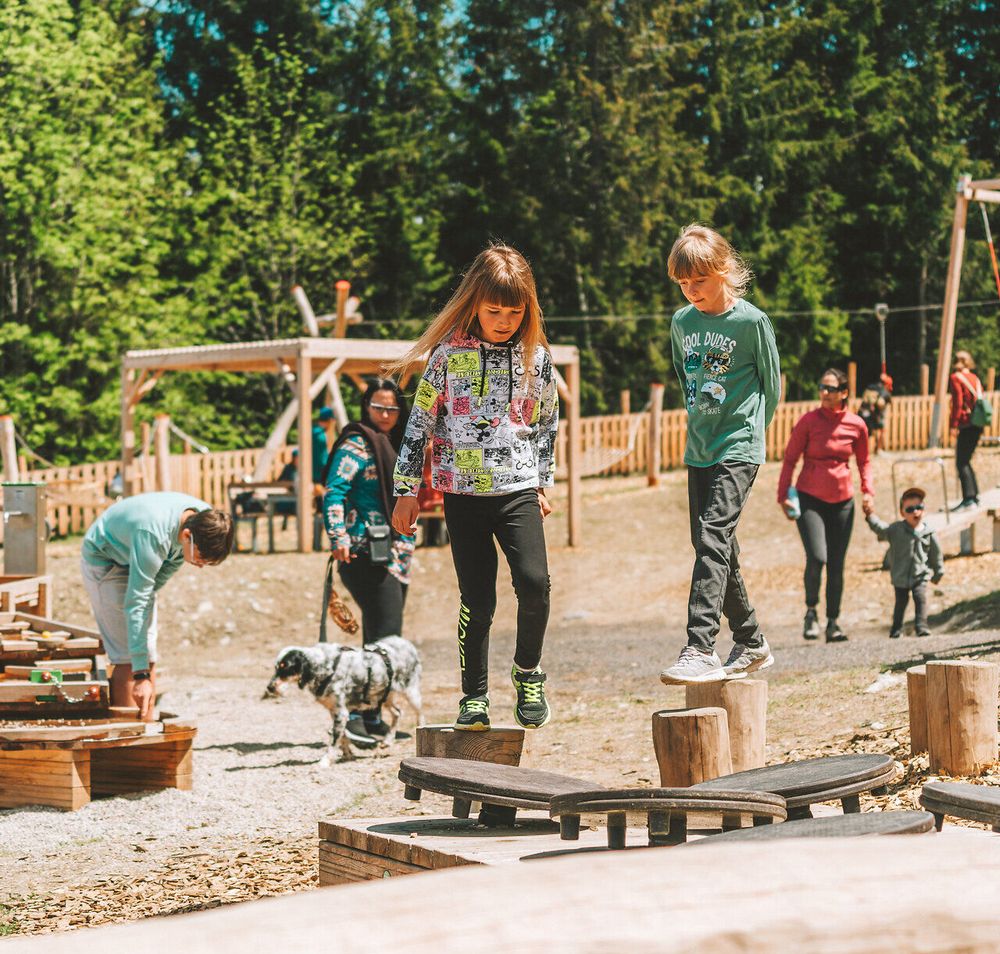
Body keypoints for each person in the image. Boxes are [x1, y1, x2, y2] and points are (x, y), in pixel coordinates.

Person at [390, 244, 559, 732]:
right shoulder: (447, 356)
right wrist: (406, 489)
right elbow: (419, 423)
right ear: (474, 305)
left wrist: (542, 481)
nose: (504, 322)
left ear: (528, 309)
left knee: (535, 584)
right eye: (493, 311)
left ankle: (528, 672)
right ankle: (475, 697)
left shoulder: (537, 359)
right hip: (461, 494)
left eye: (514, 312)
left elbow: (547, 422)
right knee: (478, 600)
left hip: (518, 488)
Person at [659, 224, 781, 685]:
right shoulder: (681, 323)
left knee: (713, 536)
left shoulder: (751, 323)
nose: (692, 290)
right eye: (683, 282)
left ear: (723, 270)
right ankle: (750, 639)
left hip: (739, 446)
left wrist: (749, 436)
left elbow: (772, 386)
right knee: (713, 543)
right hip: (700, 448)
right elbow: (684, 376)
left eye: (700, 280)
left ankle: (700, 646)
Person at [80, 493, 233, 719]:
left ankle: (145, 727)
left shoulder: (207, 521)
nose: (200, 566)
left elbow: (159, 577)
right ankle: (127, 734)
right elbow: (136, 603)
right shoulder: (153, 535)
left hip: (139, 552)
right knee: (127, 657)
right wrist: (140, 675)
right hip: (106, 556)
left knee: (147, 652)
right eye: (201, 559)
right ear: (187, 536)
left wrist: (145, 602)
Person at [323, 378, 414, 747]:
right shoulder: (357, 443)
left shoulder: (396, 443)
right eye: (378, 407)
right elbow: (334, 491)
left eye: (392, 408)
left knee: (384, 638)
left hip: (396, 552)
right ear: (366, 406)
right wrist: (338, 536)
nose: (386, 414)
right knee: (384, 637)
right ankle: (359, 716)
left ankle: (372, 716)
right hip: (363, 550)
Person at [777, 368, 875, 643]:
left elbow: (864, 461)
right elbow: (790, 459)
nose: (824, 392)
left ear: (844, 393)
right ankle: (811, 612)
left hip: (843, 501)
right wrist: (783, 495)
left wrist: (868, 492)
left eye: (830, 389)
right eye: (822, 387)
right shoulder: (808, 422)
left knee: (836, 563)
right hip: (809, 499)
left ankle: (833, 621)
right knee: (817, 557)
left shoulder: (856, 425)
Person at [865, 487, 944, 638]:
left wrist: (938, 572)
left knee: (920, 599)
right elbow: (880, 529)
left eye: (919, 507)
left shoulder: (929, 533)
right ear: (902, 513)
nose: (915, 512)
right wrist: (870, 516)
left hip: (920, 575)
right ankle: (896, 629)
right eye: (910, 509)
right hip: (900, 576)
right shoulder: (896, 530)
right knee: (901, 602)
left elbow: (936, 554)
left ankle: (921, 626)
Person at [949, 350, 985, 511]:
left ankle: (969, 498)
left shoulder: (956, 378)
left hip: (966, 423)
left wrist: (953, 425)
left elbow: (958, 403)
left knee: (961, 461)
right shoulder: (974, 378)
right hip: (978, 423)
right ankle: (974, 495)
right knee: (966, 460)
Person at [858, 373, 892, 456]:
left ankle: (863, 451)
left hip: (862, 412)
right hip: (873, 414)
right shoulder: (884, 392)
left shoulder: (870, 387)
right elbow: (880, 403)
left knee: (866, 433)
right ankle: (878, 450)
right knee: (881, 430)